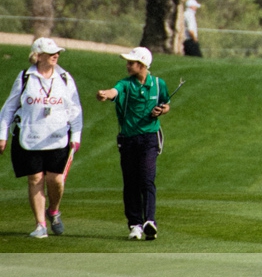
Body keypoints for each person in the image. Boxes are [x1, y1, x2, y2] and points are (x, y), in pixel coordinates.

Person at [0, 37, 82, 239]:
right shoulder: (24, 78)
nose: (56, 55)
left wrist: (76, 134)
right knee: (35, 178)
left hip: (57, 136)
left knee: (56, 180)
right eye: (50, 52)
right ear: (37, 55)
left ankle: (53, 210)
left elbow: (75, 108)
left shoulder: (65, 78)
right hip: (30, 135)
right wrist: (2, 135)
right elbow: (9, 107)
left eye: (57, 52)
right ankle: (40, 225)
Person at [97, 46, 171, 241]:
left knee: (147, 179)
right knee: (131, 182)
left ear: (143, 65)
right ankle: (135, 224)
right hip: (128, 139)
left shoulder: (158, 83)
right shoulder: (125, 84)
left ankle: (150, 221)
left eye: (132, 63)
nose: (128, 66)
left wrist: (161, 110)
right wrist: (105, 94)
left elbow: (166, 103)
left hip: (149, 138)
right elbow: (115, 91)